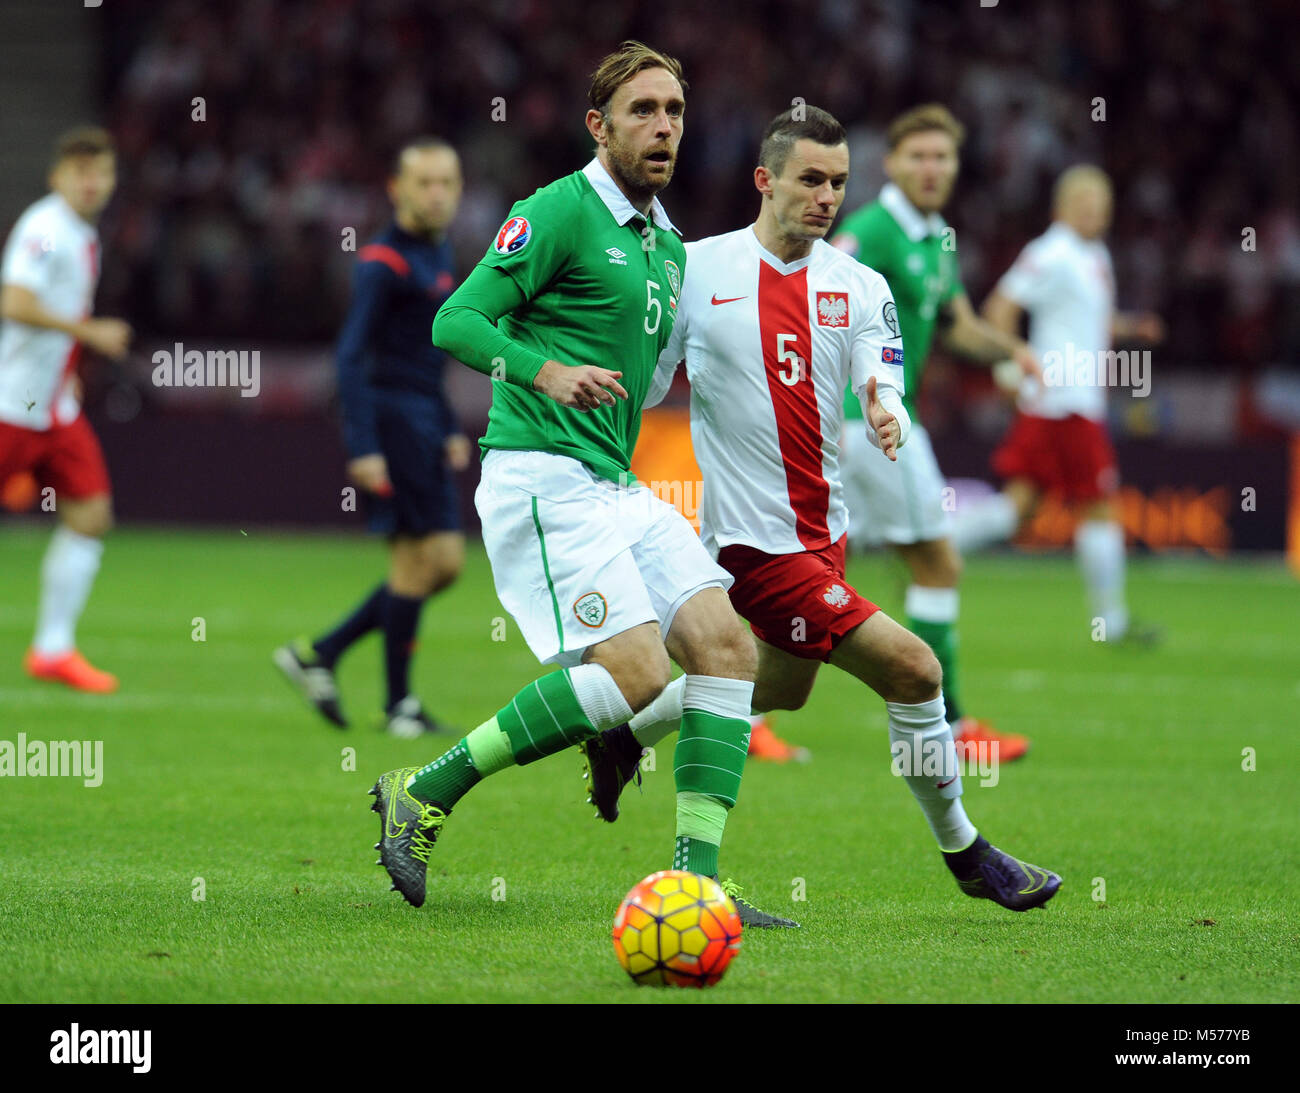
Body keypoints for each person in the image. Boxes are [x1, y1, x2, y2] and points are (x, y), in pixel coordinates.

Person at [581, 107, 1061, 920]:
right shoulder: (695, 271)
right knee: (915, 669)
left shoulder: (859, 284)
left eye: (838, 182)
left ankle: (624, 732)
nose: (827, 196)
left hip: (822, 535)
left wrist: (887, 415)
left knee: (780, 688)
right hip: (749, 544)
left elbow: (884, 379)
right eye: (810, 178)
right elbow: (650, 374)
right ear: (765, 180)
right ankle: (968, 851)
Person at [367, 42, 785, 925]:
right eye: (642, 111)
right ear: (599, 126)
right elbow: (457, 317)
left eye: (674, 110)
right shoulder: (556, 210)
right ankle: (422, 789)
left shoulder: (669, 246)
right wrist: (542, 368)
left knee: (728, 648)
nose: (664, 126)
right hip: (541, 477)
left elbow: (662, 374)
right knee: (634, 671)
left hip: (615, 484)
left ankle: (696, 883)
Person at [831, 104, 1040, 762]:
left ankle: (733, 712)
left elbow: (958, 325)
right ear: (891, 163)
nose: (931, 167)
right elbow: (819, 300)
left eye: (942, 157)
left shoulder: (936, 234)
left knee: (819, 569)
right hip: (872, 420)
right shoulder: (871, 229)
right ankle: (942, 729)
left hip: (879, 420)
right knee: (938, 562)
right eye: (917, 156)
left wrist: (1014, 349)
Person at [274, 138, 470, 737]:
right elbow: (352, 355)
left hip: (422, 420)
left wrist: (448, 422)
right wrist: (362, 445)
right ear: (397, 189)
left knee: (441, 564)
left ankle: (320, 654)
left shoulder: (438, 255)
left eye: (446, 182)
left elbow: (427, 354)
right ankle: (398, 706)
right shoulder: (381, 261)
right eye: (424, 182)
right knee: (423, 563)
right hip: (392, 422)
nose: (436, 193)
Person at [956, 165, 1164, 644]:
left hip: (1072, 400)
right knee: (1099, 505)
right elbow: (999, 309)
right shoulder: (1050, 252)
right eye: (1085, 202)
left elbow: (1091, 322)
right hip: (1061, 401)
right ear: (1062, 207)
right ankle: (1110, 623)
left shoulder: (1093, 255)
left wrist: (1132, 328)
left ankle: (934, 549)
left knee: (1020, 509)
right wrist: (1008, 369)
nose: (1095, 211)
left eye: (1101, 203)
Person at [0, 126, 130, 693]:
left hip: (52, 406)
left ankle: (53, 649)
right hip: (12, 403)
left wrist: (70, 368)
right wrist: (90, 333)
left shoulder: (82, 233)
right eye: (80, 170)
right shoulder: (45, 228)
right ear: (58, 177)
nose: (91, 181)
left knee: (91, 513)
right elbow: (16, 303)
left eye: (99, 171)